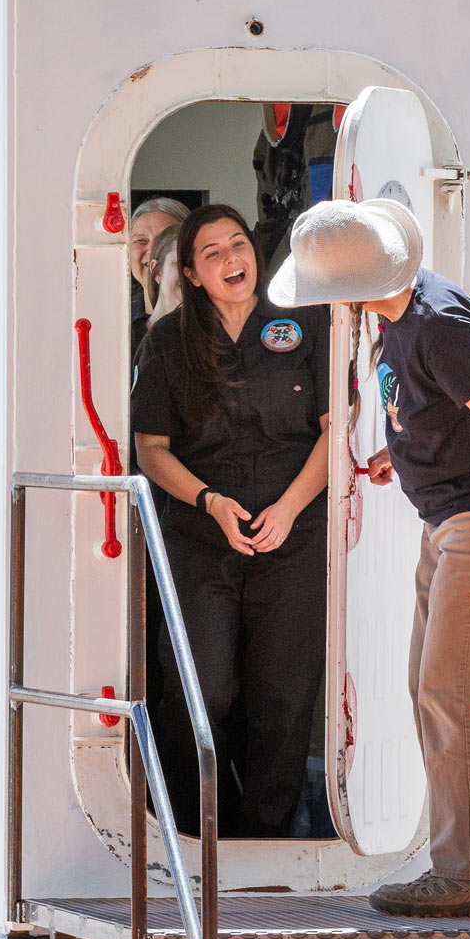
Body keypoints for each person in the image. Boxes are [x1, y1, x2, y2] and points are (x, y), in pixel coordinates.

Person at [270, 198, 470, 916]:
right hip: (450, 513)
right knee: (432, 689)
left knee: (453, 695)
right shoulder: (403, 311)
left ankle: (465, 878)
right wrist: (402, 456)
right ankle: (461, 865)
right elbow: (439, 407)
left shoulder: (436, 326)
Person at [131, 203, 332, 837]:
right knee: (204, 686)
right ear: (190, 274)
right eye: (211, 253)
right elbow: (151, 449)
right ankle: (188, 830)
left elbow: (337, 432)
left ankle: (263, 842)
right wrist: (209, 502)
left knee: (283, 698)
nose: (230, 259)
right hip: (200, 538)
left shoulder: (306, 323)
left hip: (292, 537)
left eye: (237, 244)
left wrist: (291, 506)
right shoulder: (167, 342)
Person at [128, 196, 190, 351]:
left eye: (164, 241)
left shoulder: (214, 316)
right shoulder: (118, 318)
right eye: (141, 241)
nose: (152, 251)